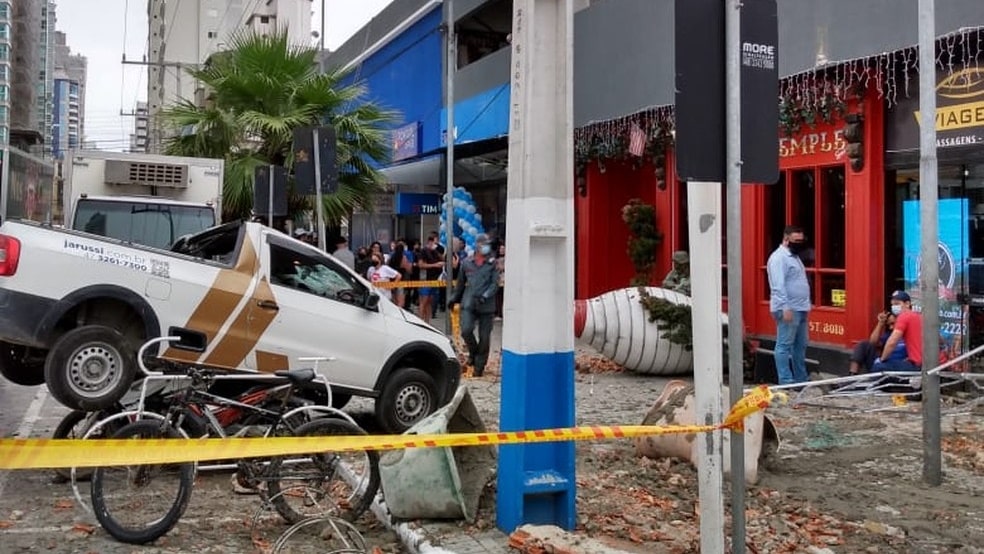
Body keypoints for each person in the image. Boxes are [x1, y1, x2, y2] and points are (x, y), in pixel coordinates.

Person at [449, 234, 500, 377]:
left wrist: (486, 296)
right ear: (477, 246)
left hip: (486, 306)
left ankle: (479, 366)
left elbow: (494, 284)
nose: (486, 247)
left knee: (484, 337)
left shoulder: (492, 264)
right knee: (466, 330)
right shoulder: (466, 263)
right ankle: (473, 352)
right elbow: (460, 284)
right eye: (483, 244)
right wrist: (454, 299)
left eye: (487, 244)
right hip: (469, 303)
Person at [766, 225, 812, 385]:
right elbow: (778, 285)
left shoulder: (794, 256)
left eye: (801, 240)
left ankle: (800, 379)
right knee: (784, 344)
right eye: (796, 240)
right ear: (786, 239)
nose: (799, 243)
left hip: (801, 307)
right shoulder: (779, 258)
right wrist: (785, 307)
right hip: (789, 308)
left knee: (800, 346)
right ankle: (786, 380)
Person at [873, 290, 923, 372]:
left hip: (918, 366)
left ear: (907, 304)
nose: (894, 307)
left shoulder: (904, 316)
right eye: (892, 305)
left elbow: (892, 342)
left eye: (897, 304)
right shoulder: (920, 316)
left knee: (878, 367)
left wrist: (882, 359)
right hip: (929, 364)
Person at [416, 235, 444, 323]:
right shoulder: (424, 251)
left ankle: (427, 322)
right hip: (425, 279)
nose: (435, 244)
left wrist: (437, 252)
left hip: (434, 279)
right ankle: (420, 321)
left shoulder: (435, 252)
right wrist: (434, 265)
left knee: (429, 302)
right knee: (424, 301)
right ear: (430, 242)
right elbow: (420, 265)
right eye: (434, 242)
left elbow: (443, 259)